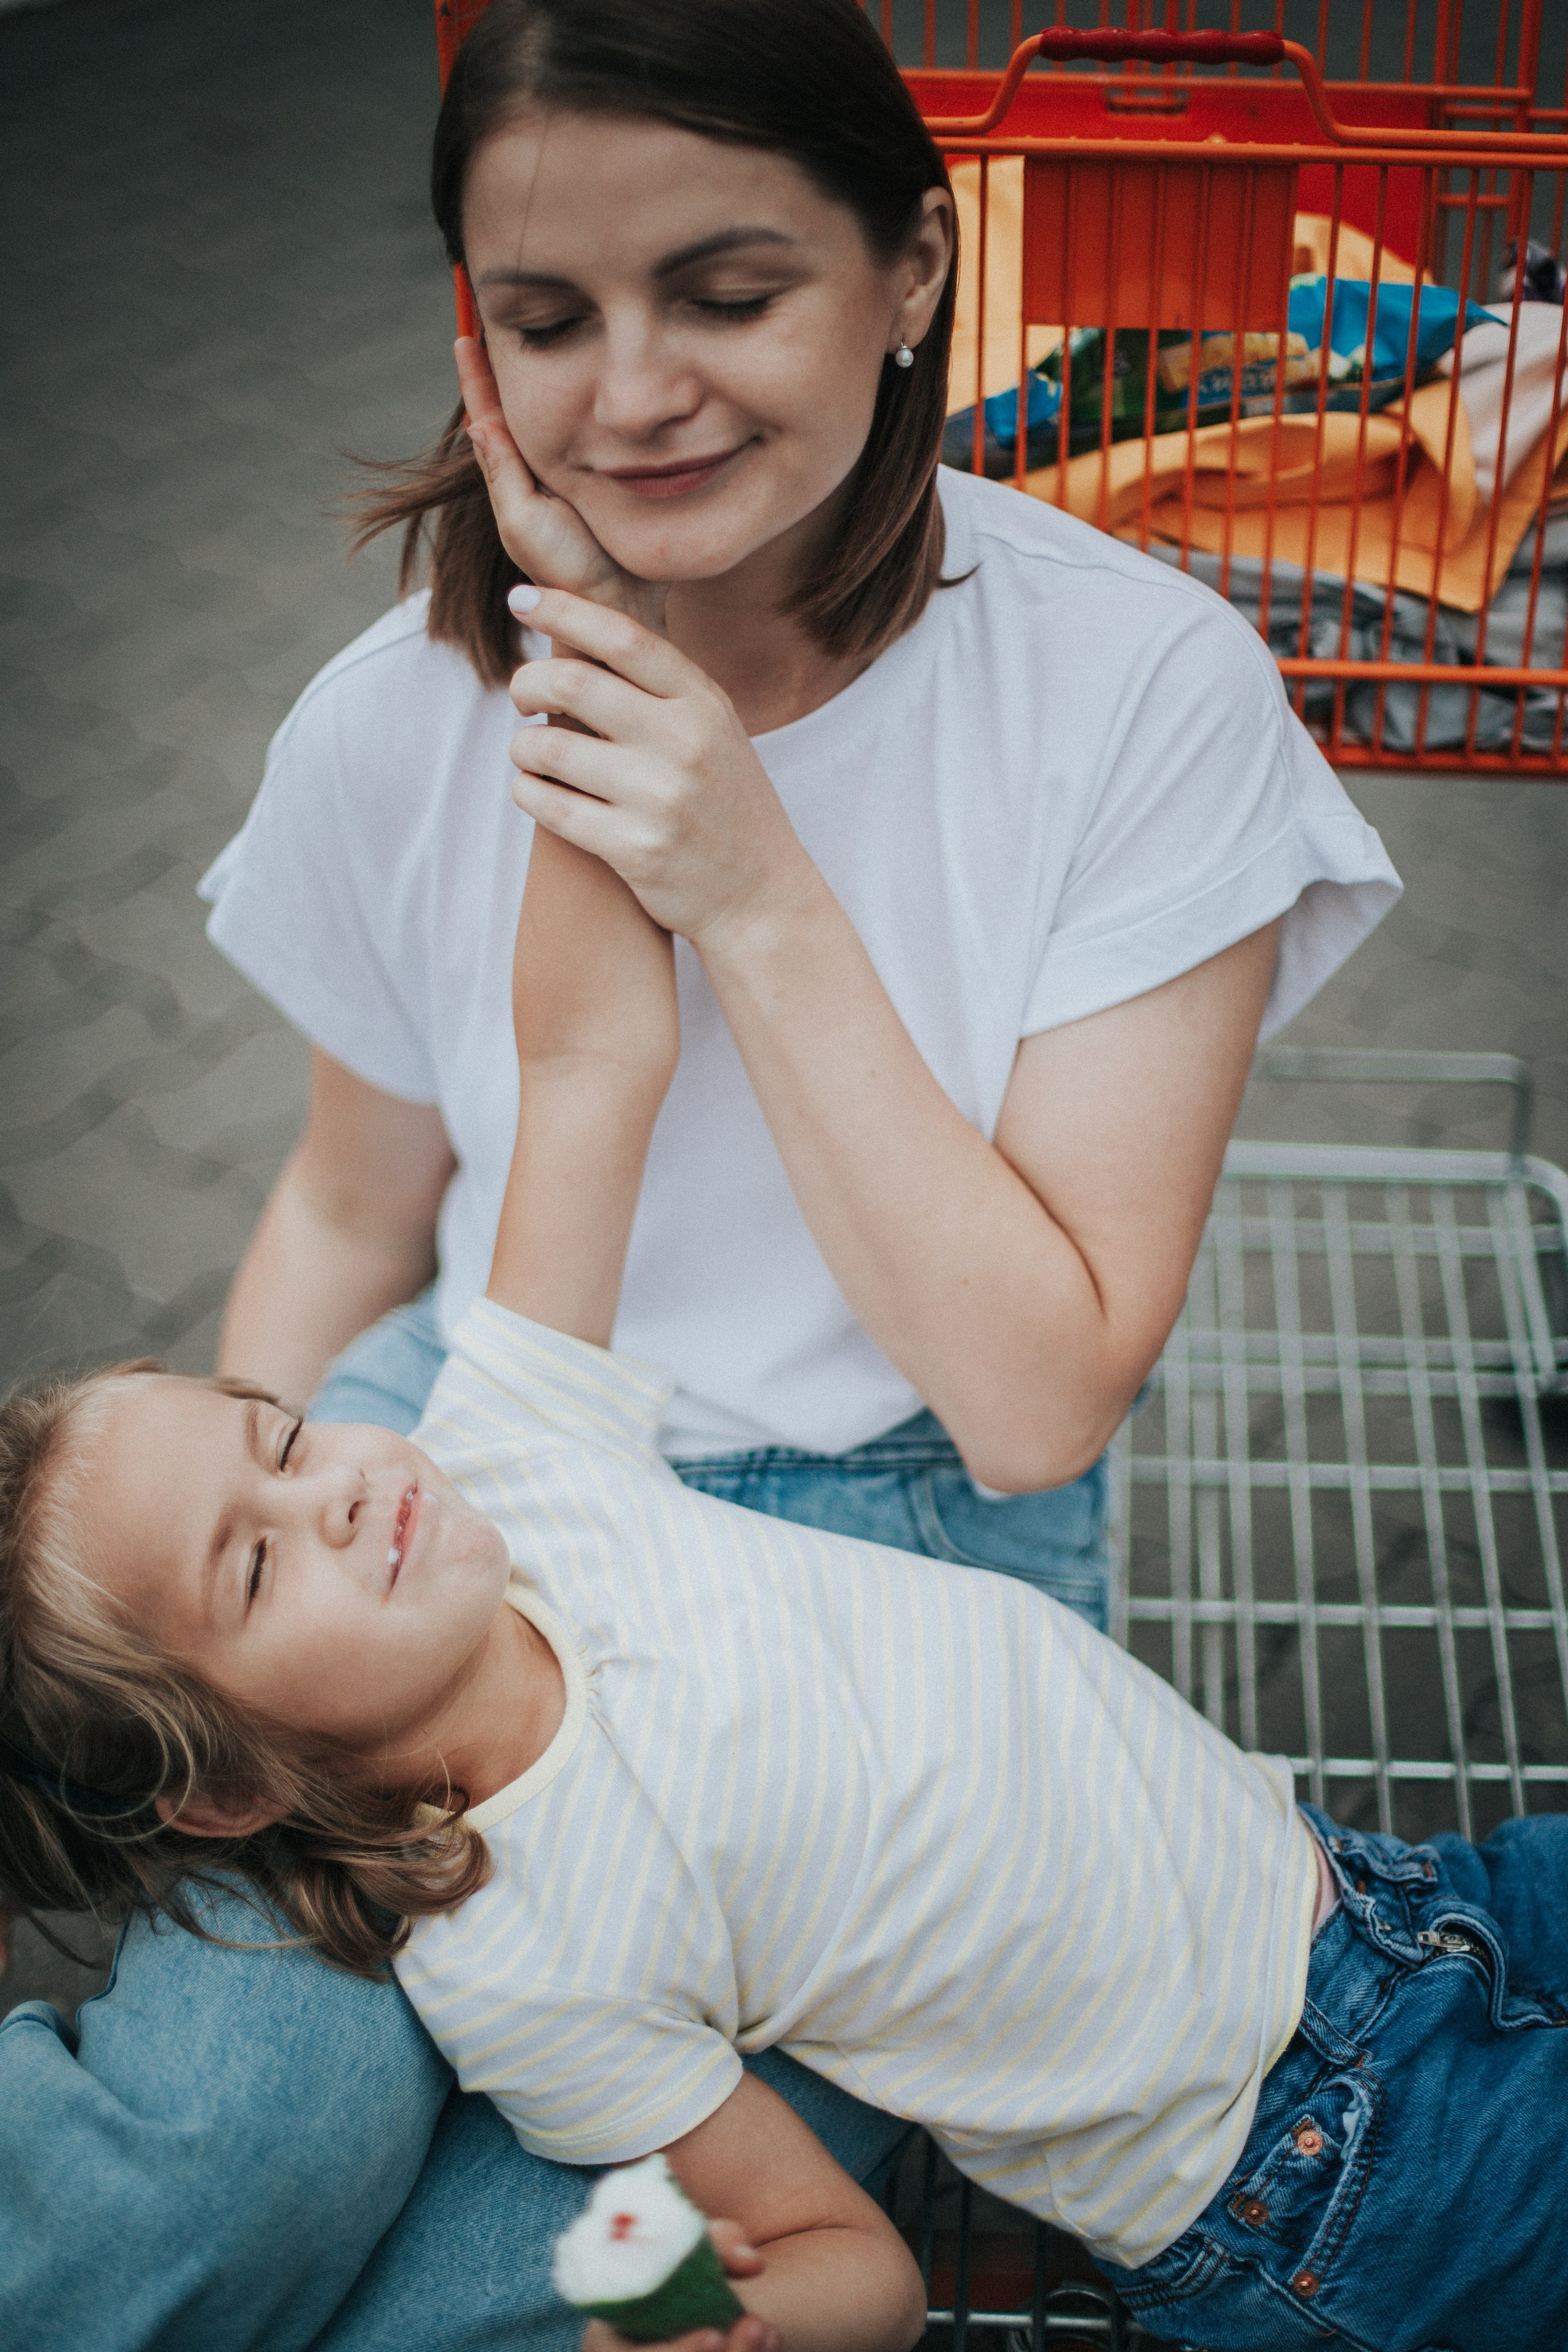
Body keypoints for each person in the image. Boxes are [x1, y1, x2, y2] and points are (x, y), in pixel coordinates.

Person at [5, 0, 1404, 2339]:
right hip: (460, 1467)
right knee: (228, 2156)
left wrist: (751, 884)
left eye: (727, 292)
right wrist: (232, 1625)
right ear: (473, 336)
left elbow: (1036, 1400)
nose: (635, 391)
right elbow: (353, 1203)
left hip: (891, 1542)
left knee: (519, 2288)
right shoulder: (394, 718)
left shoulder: (1140, 695)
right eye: (550, 317)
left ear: (916, 268)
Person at [3, 816, 1566, 2352]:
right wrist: (737, 2323)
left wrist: (591, 703)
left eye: (282, 1437)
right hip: (1308, 2162)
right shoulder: (524, 1972)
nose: (334, 1489)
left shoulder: (513, 1454)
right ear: (225, 1794)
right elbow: (850, 2268)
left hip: (1384, 1894)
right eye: (256, 1562)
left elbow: (583, 1063)